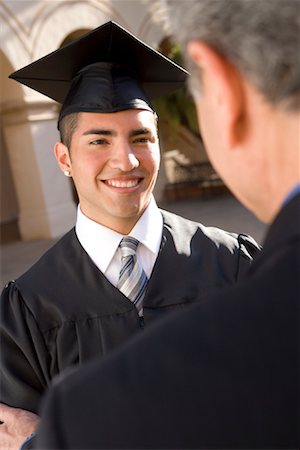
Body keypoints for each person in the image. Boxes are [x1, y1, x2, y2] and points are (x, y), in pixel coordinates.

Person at [34, 1, 299, 448]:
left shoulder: (234, 259)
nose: (126, 160)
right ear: (64, 159)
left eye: (142, 137)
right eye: (99, 140)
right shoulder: (24, 307)